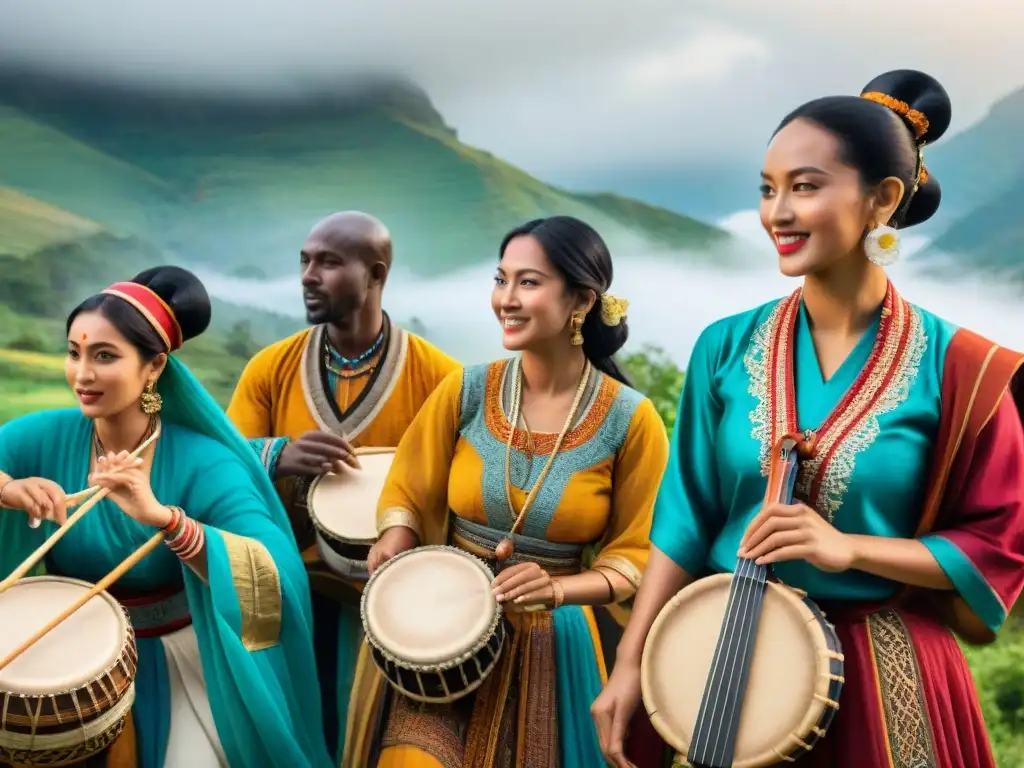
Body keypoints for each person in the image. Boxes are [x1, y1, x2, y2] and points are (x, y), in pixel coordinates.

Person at [591, 69, 1024, 768]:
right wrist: (634, 661)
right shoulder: (725, 347)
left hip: (888, 676)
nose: (777, 214)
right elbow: (684, 518)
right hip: (733, 668)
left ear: (881, 200)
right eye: (767, 188)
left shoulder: (964, 369)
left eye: (806, 186)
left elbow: (996, 543)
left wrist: (849, 549)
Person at [340, 215, 671, 768]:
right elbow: (410, 486)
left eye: (529, 282)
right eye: (500, 279)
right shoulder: (466, 390)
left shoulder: (630, 421)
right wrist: (397, 535)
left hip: (550, 640)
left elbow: (637, 556)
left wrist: (559, 590)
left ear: (582, 301)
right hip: (439, 624)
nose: (506, 300)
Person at [0, 266, 334, 767]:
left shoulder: (206, 463)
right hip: (59, 655)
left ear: (154, 368)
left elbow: (273, 576)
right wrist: (8, 488)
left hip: (174, 664)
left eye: (104, 356)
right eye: (74, 353)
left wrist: (166, 521)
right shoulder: (45, 435)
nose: (82, 375)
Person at [225, 211, 460, 760]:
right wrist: (277, 454)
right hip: (291, 591)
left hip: (398, 601)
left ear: (375, 274)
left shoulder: (441, 378)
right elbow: (222, 466)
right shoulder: (271, 368)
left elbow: (465, 483)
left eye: (328, 262)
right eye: (304, 261)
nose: (308, 275)